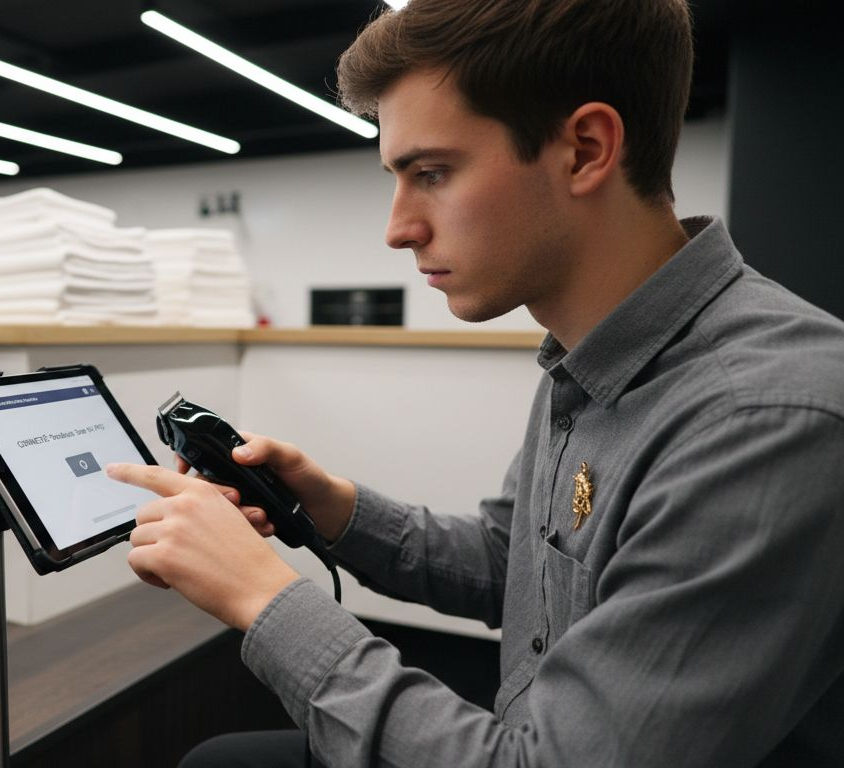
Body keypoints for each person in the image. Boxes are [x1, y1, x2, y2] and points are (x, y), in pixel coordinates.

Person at [104, 1, 844, 766]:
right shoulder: (590, 350)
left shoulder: (761, 417)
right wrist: (332, 509)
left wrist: (263, 600)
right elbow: (510, 562)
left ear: (586, 150)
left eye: (432, 172)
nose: (398, 228)